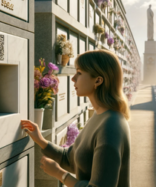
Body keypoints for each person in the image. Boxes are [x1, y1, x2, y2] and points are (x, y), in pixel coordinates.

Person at [21, 50, 131, 187]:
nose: (73, 79)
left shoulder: (111, 127)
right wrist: (41, 140)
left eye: (79, 73)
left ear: (98, 80)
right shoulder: (99, 116)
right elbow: (72, 158)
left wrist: (61, 174)